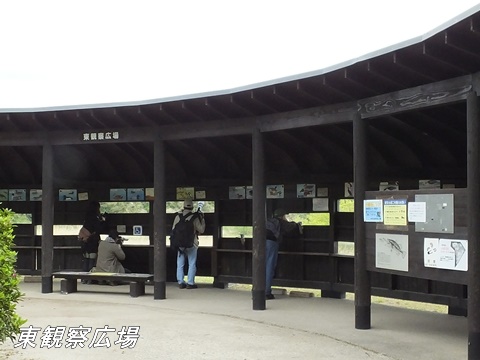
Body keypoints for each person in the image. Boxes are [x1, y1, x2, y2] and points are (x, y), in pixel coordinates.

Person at [265, 208, 303, 300]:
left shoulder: (268, 221)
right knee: (269, 267)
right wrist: (298, 224)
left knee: (261, 266)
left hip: (259, 243)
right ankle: (266, 292)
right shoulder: (280, 222)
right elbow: (292, 227)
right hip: (271, 243)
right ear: (282, 216)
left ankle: (257, 290)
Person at [172, 198, 205, 289]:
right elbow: (201, 230)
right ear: (192, 207)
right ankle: (190, 283)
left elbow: (173, 230)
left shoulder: (177, 217)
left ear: (184, 206)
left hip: (180, 244)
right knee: (192, 263)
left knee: (180, 264)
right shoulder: (194, 217)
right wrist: (202, 219)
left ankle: (180, 282)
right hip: (192, 243)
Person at [80, 201, 107, 283]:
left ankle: (83, 279)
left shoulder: (86, 218)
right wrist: (103, 221)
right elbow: (99, 229)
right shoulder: (95, 218)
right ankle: (89, 279)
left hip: (85, 241)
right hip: (92, 241)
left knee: (86, 259)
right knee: (92, 260)